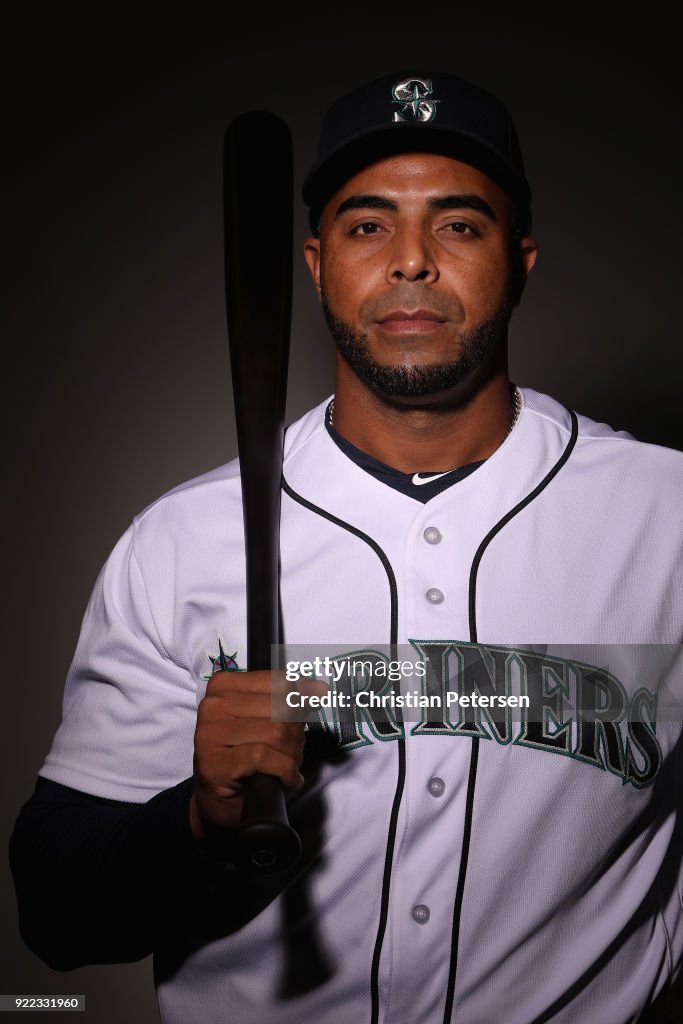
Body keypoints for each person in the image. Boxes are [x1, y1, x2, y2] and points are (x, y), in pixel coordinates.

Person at [10, 70, 682, 1024]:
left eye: (458, 224)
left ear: (520, 261)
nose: (410, 262)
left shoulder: (667, 518)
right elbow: (58, 917)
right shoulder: (180, 541)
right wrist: (199, 824)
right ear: (318, 264)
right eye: (368, 226)